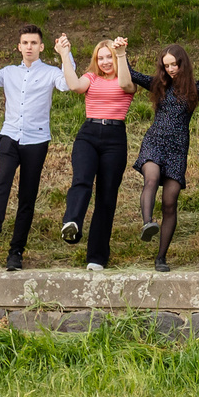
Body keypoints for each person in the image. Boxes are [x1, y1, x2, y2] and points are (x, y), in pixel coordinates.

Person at [0, 25, 72, 271]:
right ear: (19, 47)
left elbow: (68, 84)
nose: (29, 46)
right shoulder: (9, 72)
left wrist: (65, 55)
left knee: (27, 196)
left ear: (41, 47)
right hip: (9, 136)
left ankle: (16, 252)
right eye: (24, 42)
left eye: (33, 43)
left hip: (36, 141)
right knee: (1, 182)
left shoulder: (50, 73)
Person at [59, 34, 136, 270]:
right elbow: (74, 86)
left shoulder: (128, 78)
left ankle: (97, 256)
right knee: (81, 180)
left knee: (107, 196)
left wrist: (121, 54)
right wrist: (64, 54)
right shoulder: (91, 77)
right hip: (88, 134)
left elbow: (125, 85)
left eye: (108, 57)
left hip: (115, 138)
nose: (104, 62)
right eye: (100, 57)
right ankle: (72, 222)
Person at [133, 43, 199, 273]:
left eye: (175, 64)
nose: (171, 69)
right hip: (155, 141)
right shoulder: (158, 84)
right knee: (151, 179)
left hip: (177, 148)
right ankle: (148, 224)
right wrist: (120, 51)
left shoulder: (195, 89)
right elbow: (130, 73)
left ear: (183, 63)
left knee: (170, 203)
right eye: (167, 65)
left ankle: (161, 257)